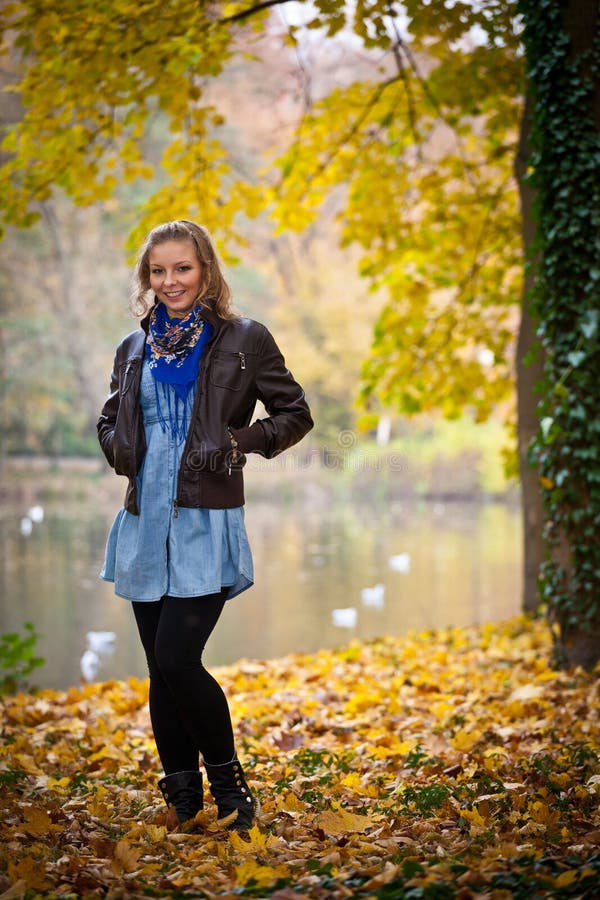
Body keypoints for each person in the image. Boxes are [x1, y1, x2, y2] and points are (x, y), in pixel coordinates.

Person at [97, 220, 313, 832]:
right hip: (144, 520)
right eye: (158, 271)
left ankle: (232, 790)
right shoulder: (133, 347)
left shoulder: (246, 339)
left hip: (205, 516)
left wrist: (236, 443)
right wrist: (123, 452)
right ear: (148, 278)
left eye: (182, 269)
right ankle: (183, 800)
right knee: (160, 668)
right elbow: (110, 421)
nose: (170, 282)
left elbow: (295, 414)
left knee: (178, 657)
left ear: (206, 270)